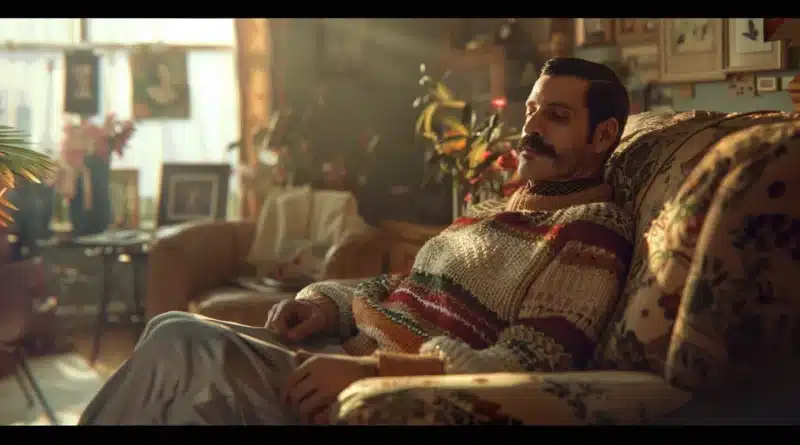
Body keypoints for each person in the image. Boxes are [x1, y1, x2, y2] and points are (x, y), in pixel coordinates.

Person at [79, 57, 634, 425]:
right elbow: (406, 285)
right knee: (171, 339)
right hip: (338, 351)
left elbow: (531, 363)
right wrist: (327, 303)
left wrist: (372, 373)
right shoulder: (492, 211)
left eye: (556, 116)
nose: (531, 127)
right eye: (532, 109)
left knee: (181, 345)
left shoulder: (589, 232)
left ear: (603, 134)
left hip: (380, 391)